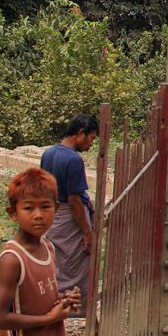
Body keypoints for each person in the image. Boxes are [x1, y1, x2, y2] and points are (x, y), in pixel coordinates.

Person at [0, 168, 81, 336]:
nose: (38, 214)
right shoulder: (12, 259)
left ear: (56, 209)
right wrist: (49, 319)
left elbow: (35, 297)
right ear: (13, 213)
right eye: (28, 208)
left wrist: (64, 300)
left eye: (45, 207)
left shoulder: (47, 248)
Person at [40, 114, 98, 318]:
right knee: (79, 267)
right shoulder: (73, 159)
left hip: (54, 216)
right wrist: (87, 232)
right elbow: (74, 200)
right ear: (80, 133)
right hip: (69, 217)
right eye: (91, 138)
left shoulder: (48, 153)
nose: (91, 144)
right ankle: (81, 314)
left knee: (58, 263)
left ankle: (51, 308)